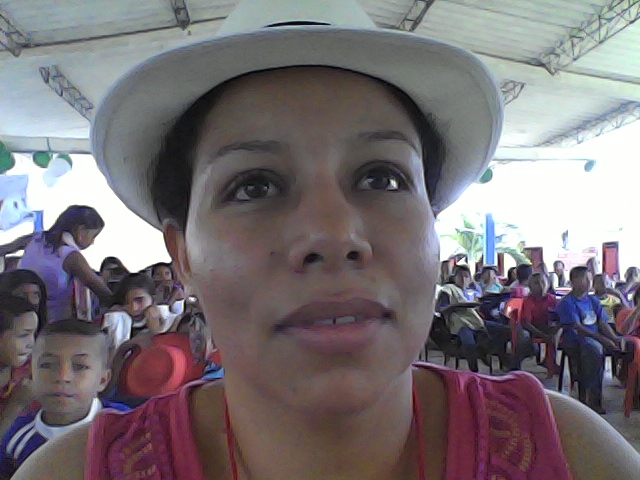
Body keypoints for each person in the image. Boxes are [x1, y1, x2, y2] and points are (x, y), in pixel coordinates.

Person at [16, 1, 640, 479]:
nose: (335, 234)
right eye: (255, 186)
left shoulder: (566, 452)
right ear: (183, 255)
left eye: (381, 177)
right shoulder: (74, 471)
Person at [0, 320, 128, 477]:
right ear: (31, 374)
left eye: (80, 366)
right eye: (48, 365)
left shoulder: (127, 427)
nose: (63, 377)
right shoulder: (16, 439)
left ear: (103, 380)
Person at [0, 206, 113, 322]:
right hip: (53, 323)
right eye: (93, 236)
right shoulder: (71, 257)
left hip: (18, 318)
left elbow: (3, 249)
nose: (93, 242)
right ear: (81, 230)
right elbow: (104, 294)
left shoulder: (34, 239)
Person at [556, 266, 621, 414]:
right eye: (584, 278)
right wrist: (603, 340)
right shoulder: (567, 302)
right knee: (593, 349)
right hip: (576, 340)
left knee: (628, 345)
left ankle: (631, 389)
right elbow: (578, 328)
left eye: (589, 278)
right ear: (573, 281)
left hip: (594, 339)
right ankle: (591, 399)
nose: (588, 281)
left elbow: (602, 323)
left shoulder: (593, 300)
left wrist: (614, 338)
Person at [0, 296, 38, 437]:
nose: (32, 343)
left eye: (34, 334)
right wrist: (17, 404)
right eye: (23, 335)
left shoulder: (30, 368)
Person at [521, 273, 559, 377]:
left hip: (548, 327)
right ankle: (551, 364)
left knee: (557, 331)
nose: (541, 285)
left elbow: (557, 317)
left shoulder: (552, 299)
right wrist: (543, 335)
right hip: (533, 329)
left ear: (548, 284)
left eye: (543, 282)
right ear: (530, 286)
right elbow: (526, 324)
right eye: (536, 283)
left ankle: (550, 360)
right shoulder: (528, 301)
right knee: (550, 337)